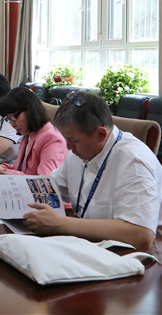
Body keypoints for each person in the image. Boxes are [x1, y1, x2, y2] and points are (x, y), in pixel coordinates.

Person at [23, 91, 162, 251]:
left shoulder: (134, 161)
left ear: (101, 134)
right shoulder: (78, 154)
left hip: (133, 255)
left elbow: (141, 235)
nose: (68, 147)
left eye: (73, 140)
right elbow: (51, 185)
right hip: (90, 245)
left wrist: (61, 223)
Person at [0, 86, 68, 176]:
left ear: (30, 110)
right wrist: (3, 168)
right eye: (9, 119)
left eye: (14, 117)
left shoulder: (51, 138)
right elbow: (24, 169)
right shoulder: (28, 134)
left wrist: (3, 172)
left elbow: (45, 181)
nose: (12, 124)